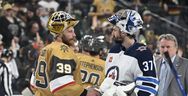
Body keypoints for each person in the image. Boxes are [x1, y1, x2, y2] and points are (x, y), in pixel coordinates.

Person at [91, 9, 159, 96]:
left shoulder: (143, 53)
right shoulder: (114, 50)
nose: (112, 33)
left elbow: (149, 86)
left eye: (115, 29)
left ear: (124, 31)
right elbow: (109, 80)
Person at [30, 11, 99, 96]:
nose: (74, 35)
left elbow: (33, 85)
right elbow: (62, 85)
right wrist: (86, 93)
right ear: (59, 33)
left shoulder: (45, 49)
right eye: (70, 31)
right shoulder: (62, 50)